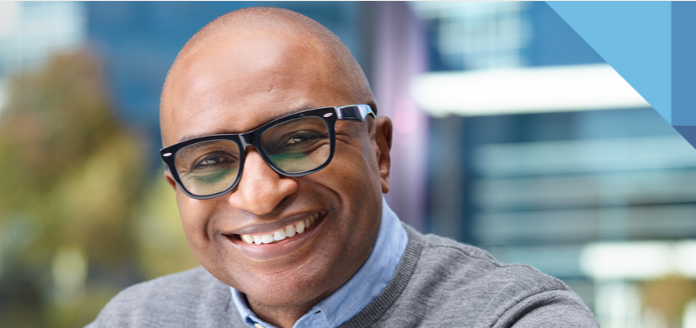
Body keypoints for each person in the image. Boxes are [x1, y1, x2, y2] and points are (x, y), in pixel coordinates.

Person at [88, 7, 599, 328]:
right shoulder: (136, 320)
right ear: (176, 187)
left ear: (379, 151)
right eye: (212, 161)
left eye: (299, 139)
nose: (260, 194)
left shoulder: (514, 318)